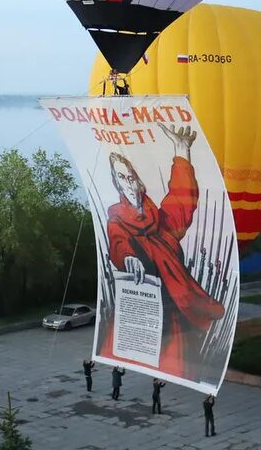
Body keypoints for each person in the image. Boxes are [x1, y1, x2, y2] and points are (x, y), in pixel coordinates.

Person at [99, 125, 226, 378]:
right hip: (141, 311)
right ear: (117, 184)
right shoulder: (117, 220)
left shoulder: (159, 222)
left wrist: (182, 151)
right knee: (135, 355)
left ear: (138, 179)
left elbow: (181, 202)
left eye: (131, 176)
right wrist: (128, 258)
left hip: (172, 314)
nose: (129, 182)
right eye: (122, 178)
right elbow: (117, 242)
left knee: (177, 368)